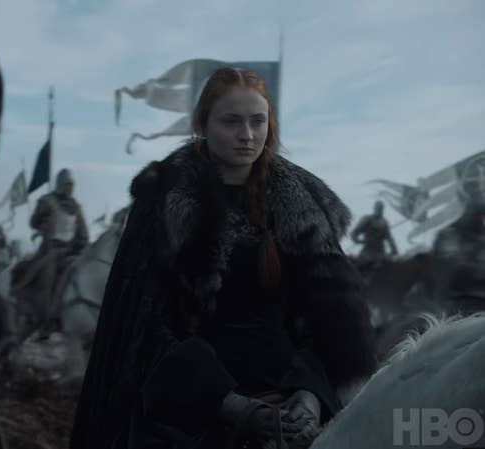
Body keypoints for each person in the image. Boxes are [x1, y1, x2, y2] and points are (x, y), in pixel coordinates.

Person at [70, 68, 376, 449]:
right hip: (186, 410)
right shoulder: (164, 200)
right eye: (231, 122)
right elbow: (144, 328)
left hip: (289, 399)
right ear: (203, 124)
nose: (247, 135)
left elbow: (330, 325)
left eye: (257, 121)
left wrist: (311, 393)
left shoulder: (303, 209)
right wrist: (229, 405)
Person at [21, 168, 89, 334]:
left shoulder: (76, 207)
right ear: (60, 184)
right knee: (47, 274)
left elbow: (83, 234)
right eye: (67, 185)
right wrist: (42, 217)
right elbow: (33, 222)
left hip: (69, 252)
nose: (70, 188)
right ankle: (44, 318)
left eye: (71, 185)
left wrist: (78, 247)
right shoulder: (47, 201)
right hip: (49, 249)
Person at [350, 200, 398, 270]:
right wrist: (358, 240)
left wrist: (394, 249)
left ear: (383, 210)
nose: (379, 210)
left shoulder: (384, 222)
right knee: (358, 269)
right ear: (375, 208)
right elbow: (355, 232)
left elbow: (390, 238)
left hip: (381, 253)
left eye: (381, 208)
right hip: (367, 251)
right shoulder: (367, 219)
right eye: (378, 208)